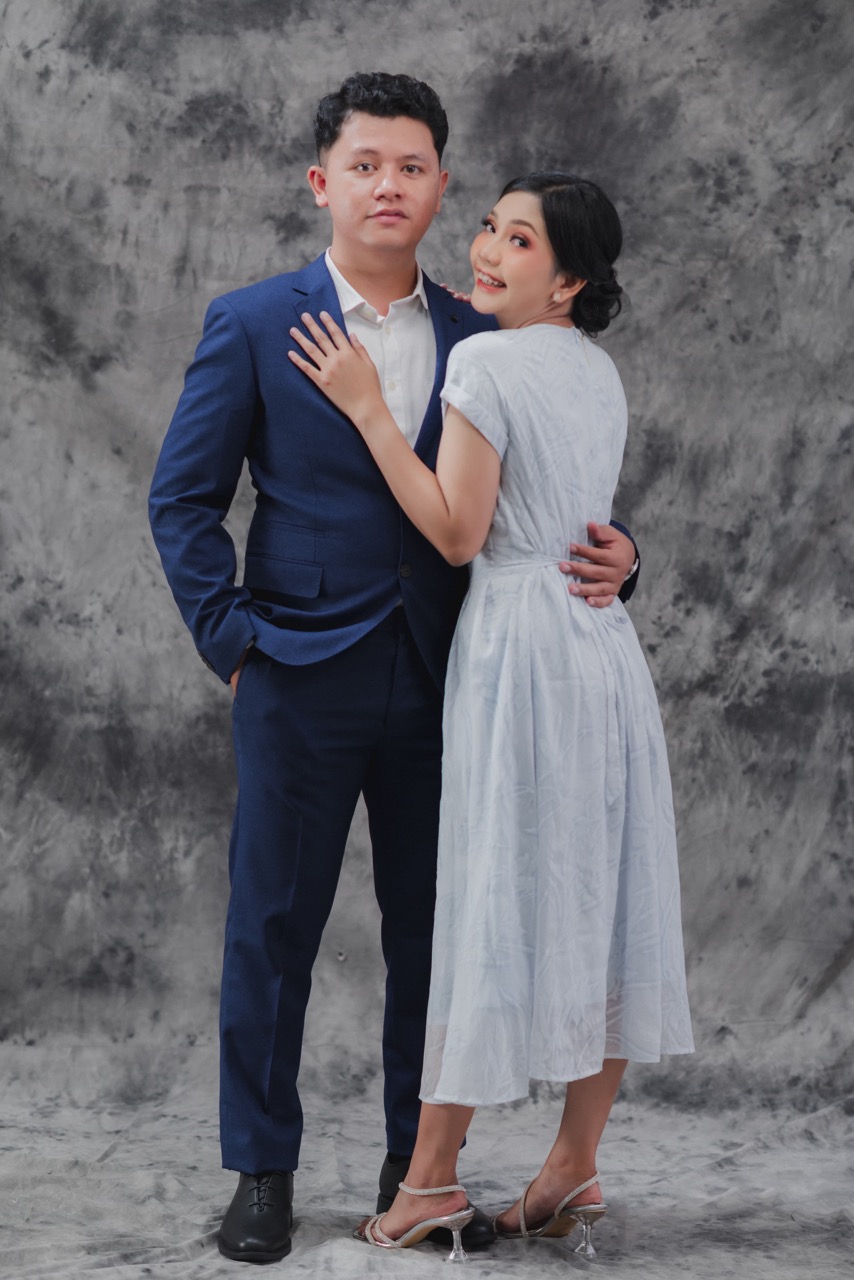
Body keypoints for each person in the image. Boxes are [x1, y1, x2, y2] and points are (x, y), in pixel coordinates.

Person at [148, 72, 640, 1266]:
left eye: (411, 167)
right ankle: (261, 1169)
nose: (388, 185)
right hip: (294, 669)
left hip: (450, 676)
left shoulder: (488, 331)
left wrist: (623, 558)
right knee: (273, 928)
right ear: (323, 182)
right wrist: (233, 644)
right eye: (364, 165)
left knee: (440, 933)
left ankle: (411, 1169)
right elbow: (182, 500)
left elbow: (543, 485)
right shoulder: (252, 322)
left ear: (439, 186)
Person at [288, 170, 694, 1260]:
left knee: (488, 899)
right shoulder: (595, 370)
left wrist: (370, 409)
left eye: (520, 241)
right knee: (599, 894)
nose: (486, 249)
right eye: (489, 226)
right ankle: (574, 1164)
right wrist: (626, 558)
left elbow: (459, 533)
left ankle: (428, 1181)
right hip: (600, 647)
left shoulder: (485, 360)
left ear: (566, 283)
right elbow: (582, 522)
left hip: (521, 643)